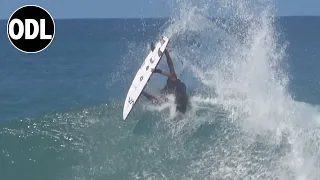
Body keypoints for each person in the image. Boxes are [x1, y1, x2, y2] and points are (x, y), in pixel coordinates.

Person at [142, 42, 189, 114]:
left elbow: (170, 72)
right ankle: (144, 92)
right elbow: (170, 65)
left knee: (158, 101)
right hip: (177, 90)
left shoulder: (176, 94)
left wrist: (157, 70)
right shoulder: (174, 82)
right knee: (160, 99)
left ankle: (144, 92)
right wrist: (166, 52)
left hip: (179, 94)